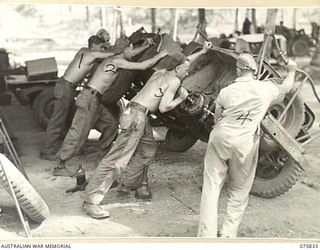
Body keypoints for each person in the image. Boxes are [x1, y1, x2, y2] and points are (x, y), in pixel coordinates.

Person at [81, 41, 213, 219]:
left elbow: (184, 60)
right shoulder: (174, 81)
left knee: (148, 149)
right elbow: (165, 107)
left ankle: (128, 183)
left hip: (135, 113)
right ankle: (91, 201)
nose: (187, 72)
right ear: (178, 68)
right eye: (185, 69)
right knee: (116, 159)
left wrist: (203, 51)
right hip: (137, 117)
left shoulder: (161, 73)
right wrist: (181, 98)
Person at [197, 54, 297, 238]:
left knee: (211, 186)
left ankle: (206, 235)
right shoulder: (265, 88)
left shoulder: (226, 91)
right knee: (239, 190)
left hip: (220, 137)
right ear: (254, 71)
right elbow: (286, 88)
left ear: (237, 69)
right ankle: (228, 235)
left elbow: (217, 117)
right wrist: (291, 70)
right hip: (245, 141)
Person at [54, 37, 167, 177]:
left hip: (95, 99)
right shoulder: (116, 61)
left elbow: (129, 54)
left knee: (111, 125)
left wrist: (145, 45)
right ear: (124, 49)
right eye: (130, 48)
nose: (131, 51)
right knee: (78, 132)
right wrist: (161, 55)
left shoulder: (115, 58)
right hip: (89, 99)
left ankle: (103, 157)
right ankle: (61, 165)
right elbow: (144, 66)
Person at [40, 35, 114, 161]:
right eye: (100, 46)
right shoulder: (92, 54)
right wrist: (114, 48)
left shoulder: (83, 50)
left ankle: (74, 147)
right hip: (66, 87)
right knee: (58, 120)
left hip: (66, 85)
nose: (102, 49)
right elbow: (112, 54)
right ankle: (47, 151)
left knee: (70, 119)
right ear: (94, 45)